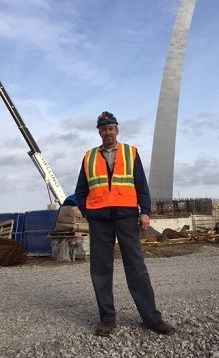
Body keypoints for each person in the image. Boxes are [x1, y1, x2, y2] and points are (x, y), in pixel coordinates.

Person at [75, 111, 175, 337]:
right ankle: (108, 319)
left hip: (126, 217)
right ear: (99, 132)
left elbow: (142, 186)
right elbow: (80, 191)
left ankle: (151, 318)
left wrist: (145, 212)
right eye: (103, 129)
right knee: (100, 270)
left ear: (117, 130)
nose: (107, 132)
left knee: (136, 268)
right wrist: (87, 212)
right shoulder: (89, 157)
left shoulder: (131, 153)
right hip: (99, 220)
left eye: (111, 128)